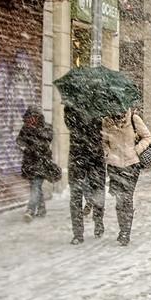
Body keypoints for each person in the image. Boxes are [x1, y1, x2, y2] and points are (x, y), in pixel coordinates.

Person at [102, 108, 151, 246]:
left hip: (131, 165)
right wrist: (107, 153)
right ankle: (122, 228)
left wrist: (136, 150)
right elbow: (104, 141)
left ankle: (125, 232)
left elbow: (147, 137)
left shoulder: (133, 119)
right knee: (119, 200)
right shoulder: (106, 121)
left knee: (127, 198)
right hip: (114, 166)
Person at [64, 105, 105, 245]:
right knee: (75, 195)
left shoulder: (100, 104)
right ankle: (78, 233)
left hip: (95, 157)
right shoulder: (71, 106)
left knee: (98, 191)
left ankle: (98, 222)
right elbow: (69, 124)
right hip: (77, 157)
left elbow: (104, 127)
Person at [16, 107, 54, 221]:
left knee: (35, 186)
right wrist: (23, 142)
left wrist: (33, 138)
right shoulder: (25, 128)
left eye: (33, 118)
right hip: (29, 163)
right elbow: (19, 140)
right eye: (29, 118)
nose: (31, 120)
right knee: (35, 187)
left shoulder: (46, 128)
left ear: (38, 117)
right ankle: (42, 209)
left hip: (42, 163)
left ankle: (30, 210)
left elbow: (45, 142)